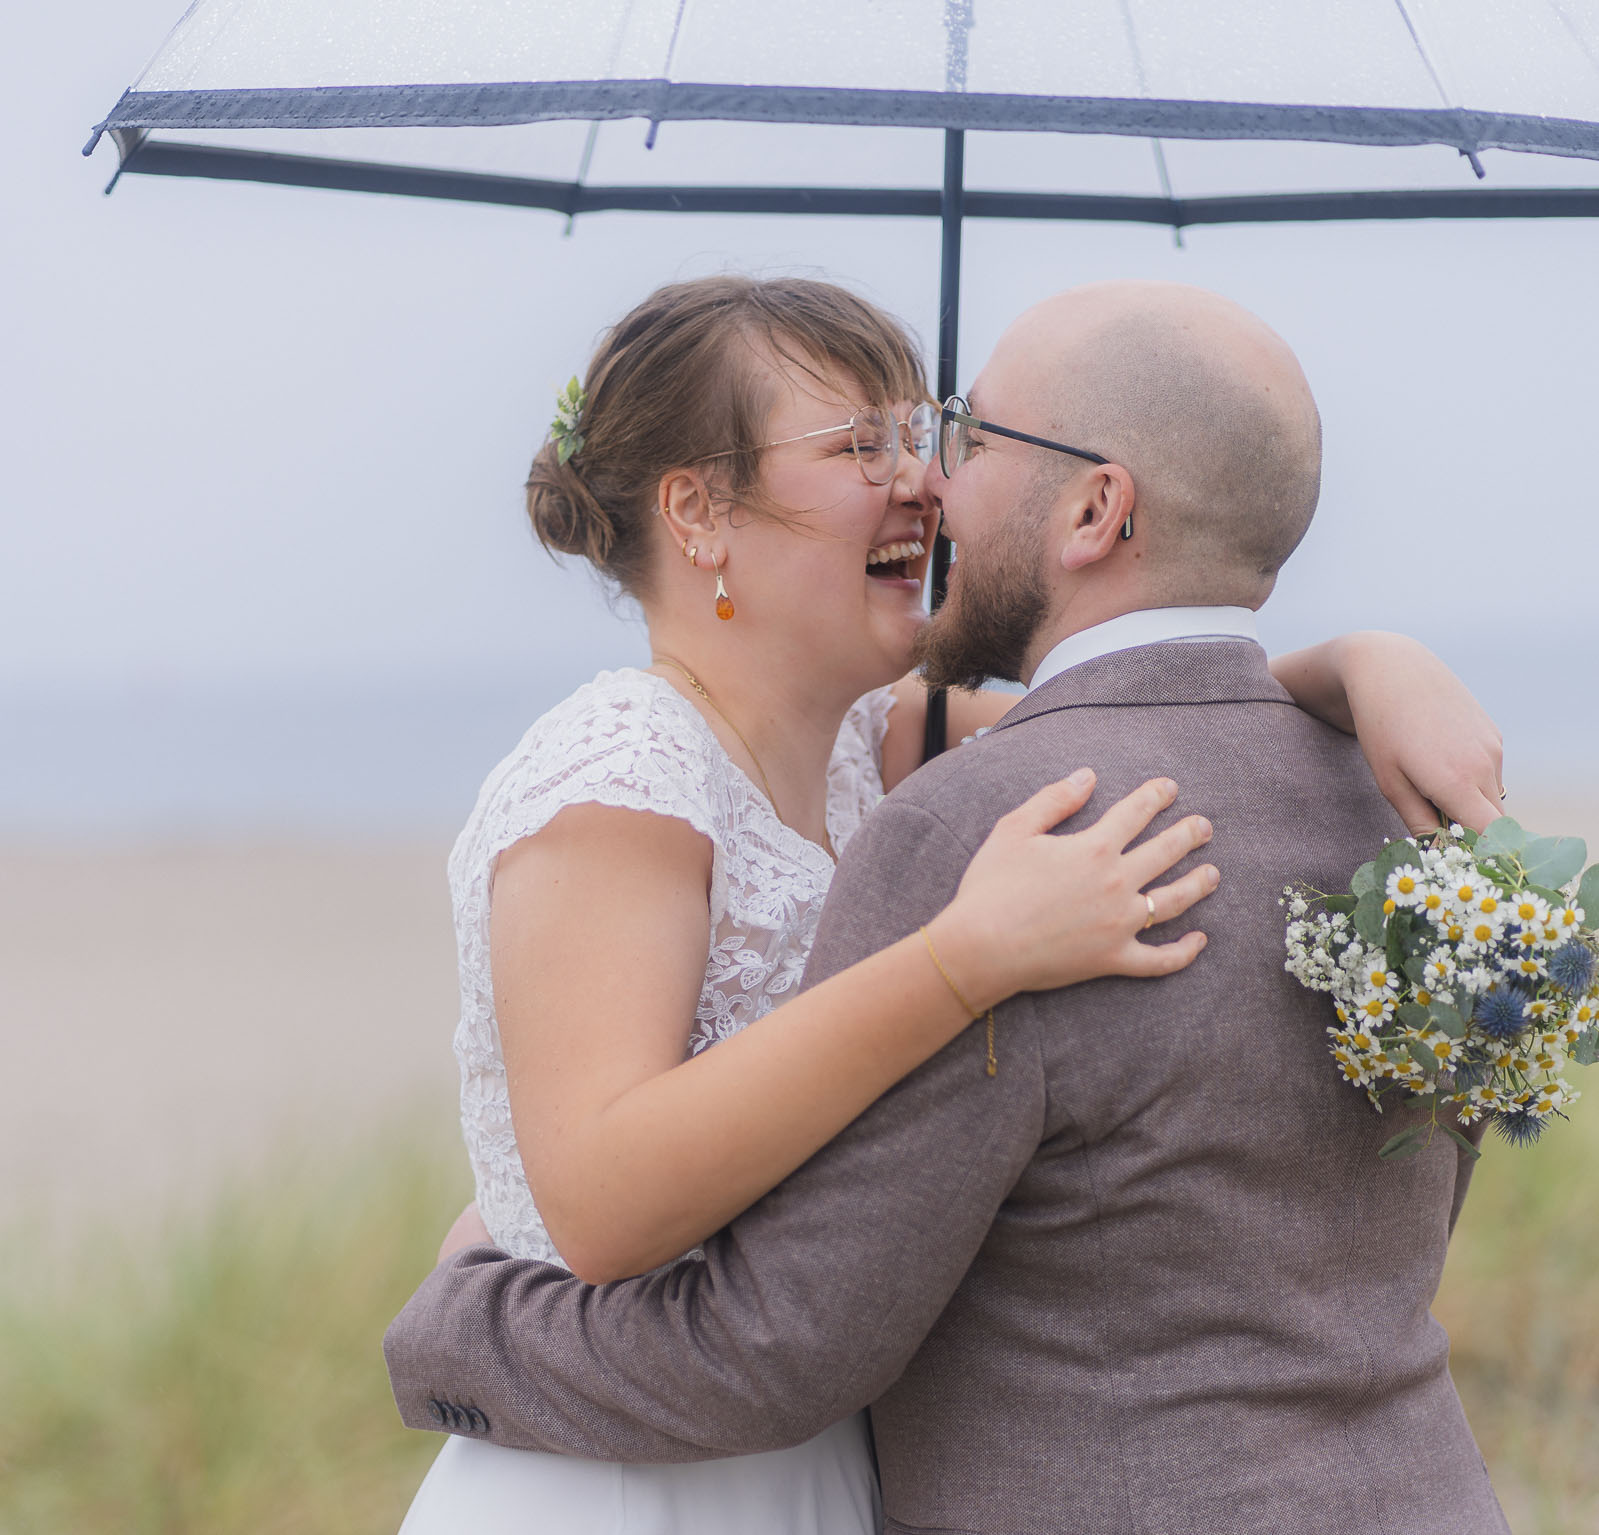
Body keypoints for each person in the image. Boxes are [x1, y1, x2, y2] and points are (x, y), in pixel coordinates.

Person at [390, 276, 1507, 1535]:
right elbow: (599, 1205)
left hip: (814, 1458)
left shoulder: (885, 737)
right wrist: (959, 960)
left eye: (923, 436)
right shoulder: (621, 774)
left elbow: (1153, 704)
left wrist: (1367, 664)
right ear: (699, 512)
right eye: (859, 446)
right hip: (630, 1474)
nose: (922, 483)